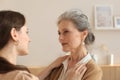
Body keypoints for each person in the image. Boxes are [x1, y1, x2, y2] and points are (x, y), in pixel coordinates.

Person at [0, 10, 87, 80]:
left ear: (84, 34)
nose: (29, 39)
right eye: (26, 32)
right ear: (14, 34)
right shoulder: (21, 77)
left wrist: (51, 66)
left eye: (66, 32)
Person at [55, 9, 103, 80]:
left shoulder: (93, 71)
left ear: (83, 34)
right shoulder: (59, 64)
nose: (60, 38)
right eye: (59, 33)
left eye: (66, 32)